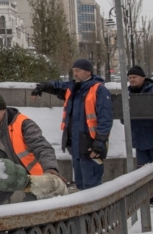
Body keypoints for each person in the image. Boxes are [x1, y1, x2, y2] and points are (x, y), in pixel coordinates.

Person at [32, 58, 113, 190]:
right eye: (73, 71)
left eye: (78, 71)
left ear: (88, 72)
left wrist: (100, 142)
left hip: (91, 145)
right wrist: (42, 87)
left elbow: (105, 118)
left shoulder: (99, 90)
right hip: (76, 145)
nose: (74, 74)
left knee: (92, 186)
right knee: (81, 185)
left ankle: (96, 211)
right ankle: (86, 210)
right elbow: (57, 85)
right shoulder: (74, 88)